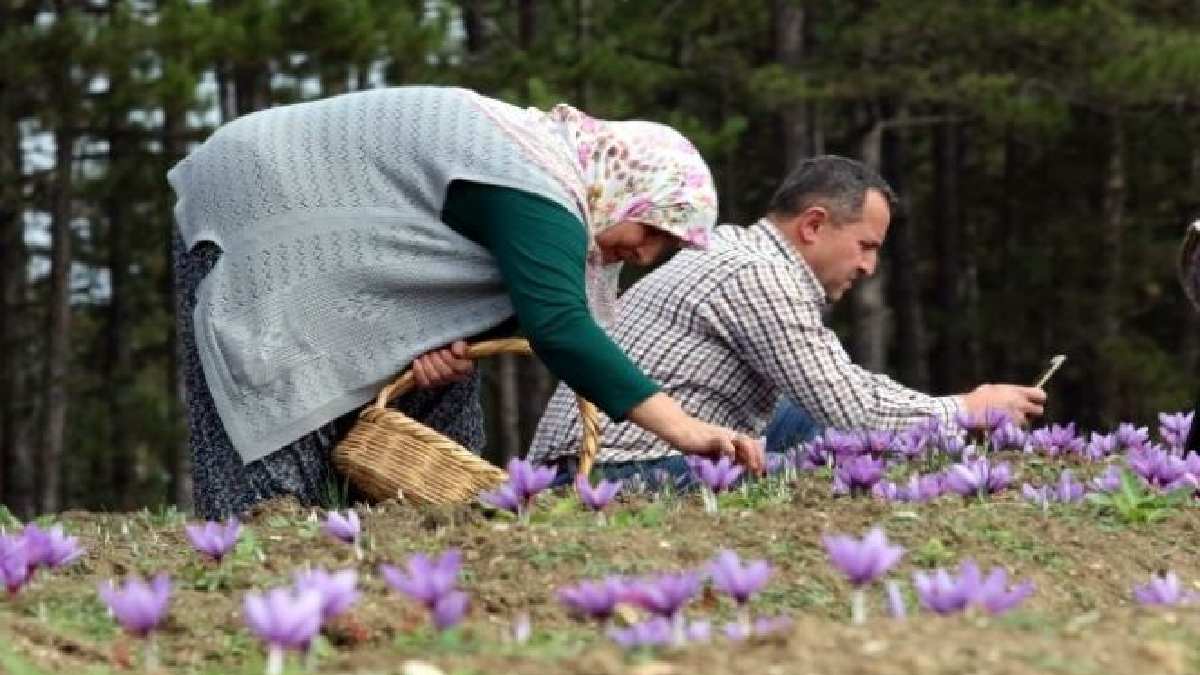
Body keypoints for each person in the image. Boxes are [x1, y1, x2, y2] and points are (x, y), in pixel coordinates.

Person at [169, 85, 763, 519]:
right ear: (625, 192)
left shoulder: (552, 186)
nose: (647, 255)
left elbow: (467, 291)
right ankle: (256, 560)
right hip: (258, 195)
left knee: (430, 400)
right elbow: (559, 328)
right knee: (273, 426)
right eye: (653, 232)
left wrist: (430, 350)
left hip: (329, 237)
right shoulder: (539, 184)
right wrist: (681, 429)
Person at [528, 155, 1046, 484]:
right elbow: (852, 408)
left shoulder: (734, 246)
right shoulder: (760, 276)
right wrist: (964, 408)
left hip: (590, 455)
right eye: (865, 246)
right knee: (835, 473)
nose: (868, 267)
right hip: (618, 467)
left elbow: (833, 393)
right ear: (814, 225)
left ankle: (950, 459)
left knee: (809, 417)